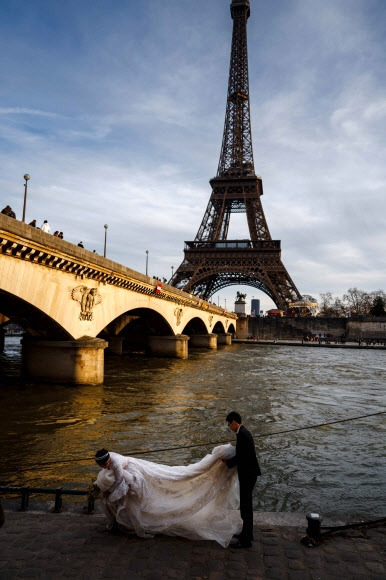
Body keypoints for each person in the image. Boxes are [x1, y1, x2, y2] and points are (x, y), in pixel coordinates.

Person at [93, 444, 242, 547]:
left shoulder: (116, 463)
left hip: (133, 473)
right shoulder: (107, 462)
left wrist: (108, 490)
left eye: (106, 463)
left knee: (168, 478)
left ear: (108, 459)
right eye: (103, 465)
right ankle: (119, 523)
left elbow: (119, 479)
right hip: (128, 472)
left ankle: (136, 527)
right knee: (121, 500)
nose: (105, 466)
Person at [224, 411, 261, 549]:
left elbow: (241, 457)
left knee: (246, 507)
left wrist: (226, 463)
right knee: (246, 506)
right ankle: (247, 534)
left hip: (248, 475)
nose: (229, 427)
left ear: (234, 422)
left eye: (229, 424)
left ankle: (246, 541)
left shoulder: (243, 435)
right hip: (249, 474)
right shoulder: (243, 433)